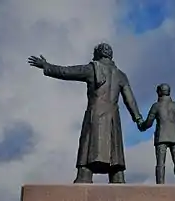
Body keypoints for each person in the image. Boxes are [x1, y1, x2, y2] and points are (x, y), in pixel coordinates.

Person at [28, 43, 144, 183]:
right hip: (113, 118)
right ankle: (117, 179)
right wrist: (138, 119)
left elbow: (66, 72)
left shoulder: (92, 69)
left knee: (87, 154)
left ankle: (84, 178)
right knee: (115, 159)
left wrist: (46, 65)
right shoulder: (120, 75)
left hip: (95, 115)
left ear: (98, 54)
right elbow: (130, 100)